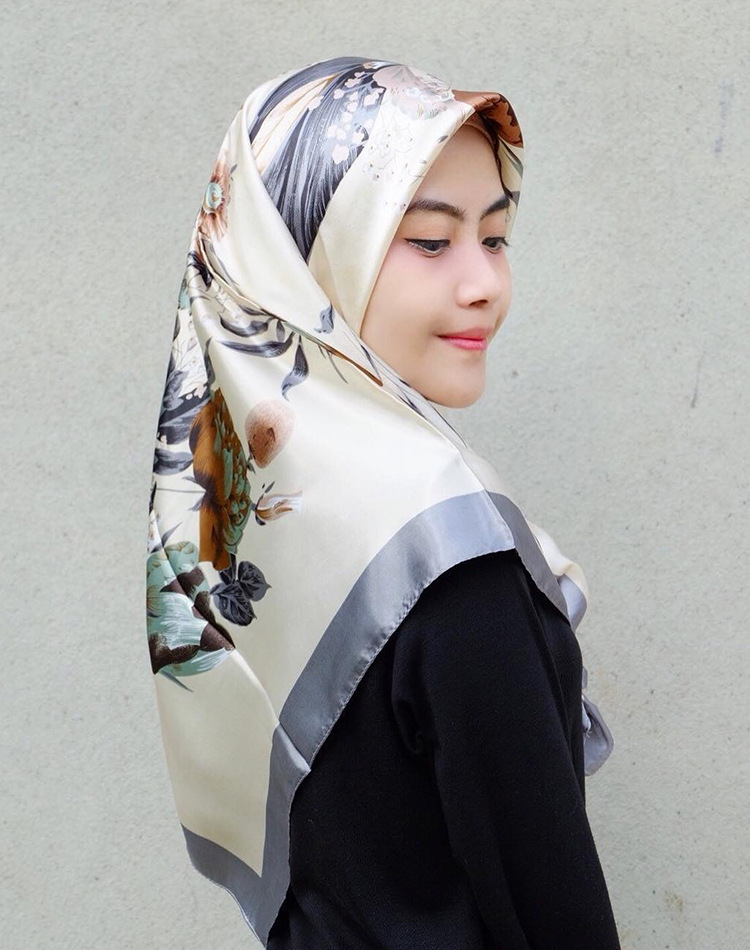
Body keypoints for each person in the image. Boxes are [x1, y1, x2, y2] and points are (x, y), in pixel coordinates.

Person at [146, 56, 618, 948]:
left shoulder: (230, 517)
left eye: (496, 237)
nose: (484, 283)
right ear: (299, 263)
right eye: (432, 241)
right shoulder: (452, 563)